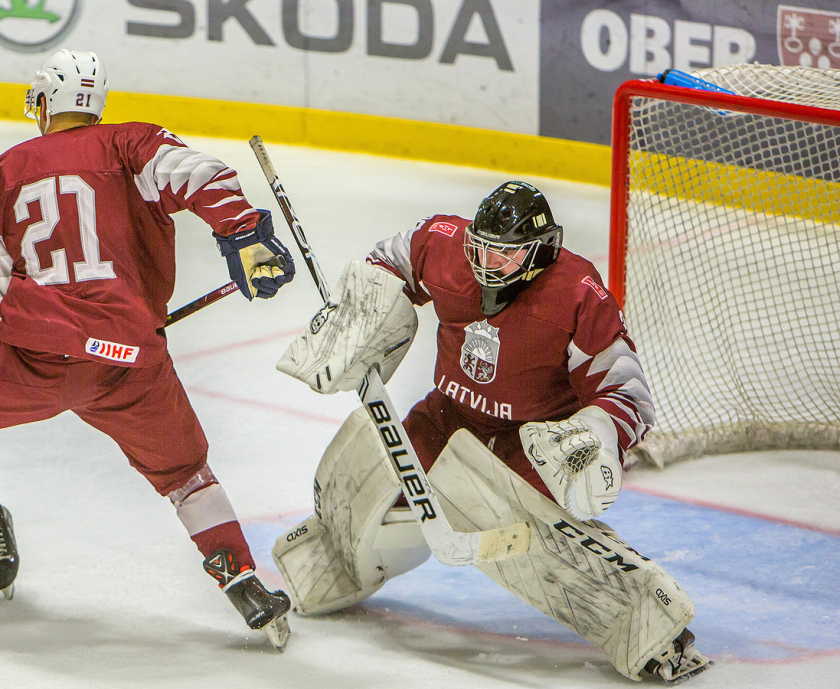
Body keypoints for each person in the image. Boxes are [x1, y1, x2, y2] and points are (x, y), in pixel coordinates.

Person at [273, 180, 712, 681]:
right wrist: (362, 311)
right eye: (480, 248)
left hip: (530, 439)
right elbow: (391, 257)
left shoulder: (576, 291)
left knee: (518, 527)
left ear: (541, 251)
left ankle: (651, 626)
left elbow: (626, 392)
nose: (485, 263)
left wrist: (592, 435)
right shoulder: (446, 245)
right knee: (371, 463)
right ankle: (338, 558)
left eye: (503, 256)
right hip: (448, 414)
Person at [0, 49, 295, 648]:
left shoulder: (7, 169)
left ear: (44, 102)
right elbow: (203, 173)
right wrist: (244, 235)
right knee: (186, 472)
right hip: (128, 365)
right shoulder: (130, 144)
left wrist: (53, 321)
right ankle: (239, 576)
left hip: (26, 358)